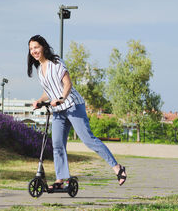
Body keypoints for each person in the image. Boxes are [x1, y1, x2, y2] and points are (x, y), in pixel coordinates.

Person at [27, 34, 127, 188]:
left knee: (88, 139)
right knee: (57, 145)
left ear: (43, 47)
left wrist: (61, 98)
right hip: (58, 111)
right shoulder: (40, 69)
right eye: (31, 49)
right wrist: (40, 100)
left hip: (73, 105)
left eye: (36, 47)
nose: (34, 51)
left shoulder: (56, 62)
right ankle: (60, 179)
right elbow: (48, 91)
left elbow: (67, 84)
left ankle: (117, 167)